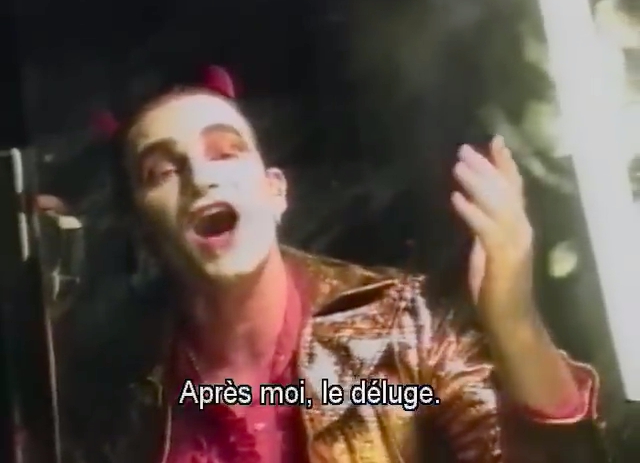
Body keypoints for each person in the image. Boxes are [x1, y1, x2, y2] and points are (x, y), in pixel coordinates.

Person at [60, 67, 604, 463]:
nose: (201, 180)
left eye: (225, 153)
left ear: (276, 192)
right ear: (144, 233)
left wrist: (514, 322)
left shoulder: (399, 322)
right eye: (162, 172)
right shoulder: (124, 392)